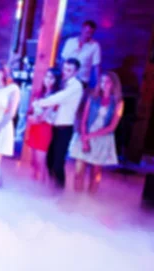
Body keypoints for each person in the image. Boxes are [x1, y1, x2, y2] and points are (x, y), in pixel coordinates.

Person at [68, 71, 124, 193]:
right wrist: (84, 138)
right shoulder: (93, 97)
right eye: (102, 81)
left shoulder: (118, 103)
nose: (104, 84)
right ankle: (75, 201)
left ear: (114, 84)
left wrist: (90, 136)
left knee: (95, 173)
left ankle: (89, 203)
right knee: (78, 172)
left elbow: (112, 127)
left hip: (102, 137)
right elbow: (83, 120)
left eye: (108, 82)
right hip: (85, 133)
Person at [33, 58, 83, 189]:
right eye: (64, 69)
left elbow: (58, 98)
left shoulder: (75, 86)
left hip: (64, 129)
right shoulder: (63, 83)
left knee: (57, 163)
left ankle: (60, 192)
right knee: (50, 161)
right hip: (54, 127)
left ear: (76, 72)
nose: (65, 72)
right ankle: (52, 190)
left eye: (69, 70)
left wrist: (39, 103)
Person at [26, 67, 62, 182]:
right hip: (34, 128)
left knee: (40, 162)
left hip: (45, 129)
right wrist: (30, 117)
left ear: (56, 80)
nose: (48, 80)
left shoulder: (56, 97)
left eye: (51, 78)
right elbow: (29, 110)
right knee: (33, 162)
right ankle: (33, 187)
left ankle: (41, 191)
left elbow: (45, 116)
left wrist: (36, 119)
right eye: (47, 76)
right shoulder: (38, 93)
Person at [61, 20, 101, 88]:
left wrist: (98, 85)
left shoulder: (95, 46)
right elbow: (63, 60)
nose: (89, 35)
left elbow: (96, 67)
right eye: (87, 32)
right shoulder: (70, 42)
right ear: (82, 29)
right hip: (67, 79)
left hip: (82, 81)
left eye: (91, 33)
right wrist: (61, 77)